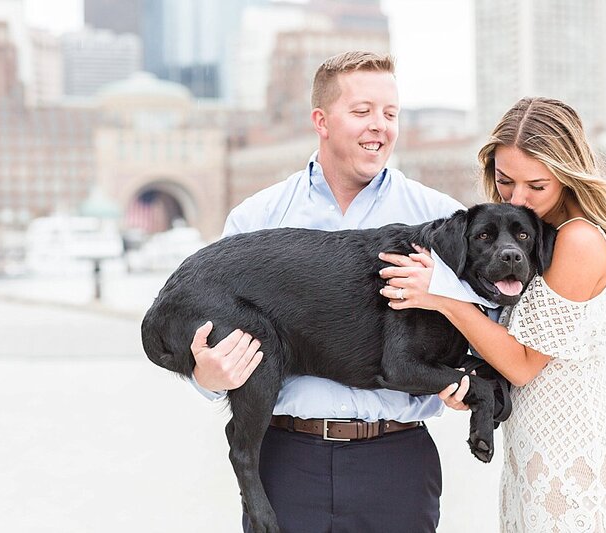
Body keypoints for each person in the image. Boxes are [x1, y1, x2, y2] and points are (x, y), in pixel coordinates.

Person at [186, 51, 467, 532]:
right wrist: (206, 376)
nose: (379, 125)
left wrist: (465, 381)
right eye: (362, 112)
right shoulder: (256, 221)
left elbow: (486, 331)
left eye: (390, 113)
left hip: (397, 465)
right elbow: (220, 350)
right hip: (285, 465)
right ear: (321, 120)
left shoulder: (444, 221)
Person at [378, 97, 606, 532]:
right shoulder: (533, 237)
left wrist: (444, 297)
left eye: (536, 186)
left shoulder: (578, 240)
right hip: (531, 449)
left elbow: (524, 364)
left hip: (572, 452)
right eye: (506, 182)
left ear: (567, 174)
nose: (518, 197)